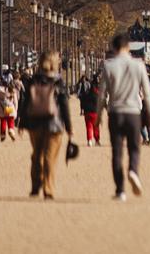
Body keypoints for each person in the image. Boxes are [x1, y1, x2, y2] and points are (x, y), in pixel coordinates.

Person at [98, 32, 150, 201]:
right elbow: (147, 93)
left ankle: (120, 190)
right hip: (133, 112)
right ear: (128, 47)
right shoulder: (139, 65)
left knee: (117, 152)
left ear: (114, 48)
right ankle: (133, 171)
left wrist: (99, 114)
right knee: (134, 148)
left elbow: (101, 95)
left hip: (115, 112)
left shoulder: (108, 65)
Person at [18, 50, 75, 199]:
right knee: (50, 157)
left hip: (35, 122)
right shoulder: (58, 81)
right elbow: (63, 105)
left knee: (37, 155)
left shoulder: (33, 80)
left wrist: (22, 122)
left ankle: (35, 186)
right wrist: (69, 127)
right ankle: (48, 189)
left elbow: (25, 102)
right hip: (54, 124)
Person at [78, 78, 100, 147]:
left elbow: (83, 102)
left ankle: (89, 140)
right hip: (95, 113)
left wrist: (83, 110)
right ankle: (97, 140)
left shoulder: (86, 95)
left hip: (87, 113)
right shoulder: (97, 96)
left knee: (89, 127)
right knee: (96, 127)